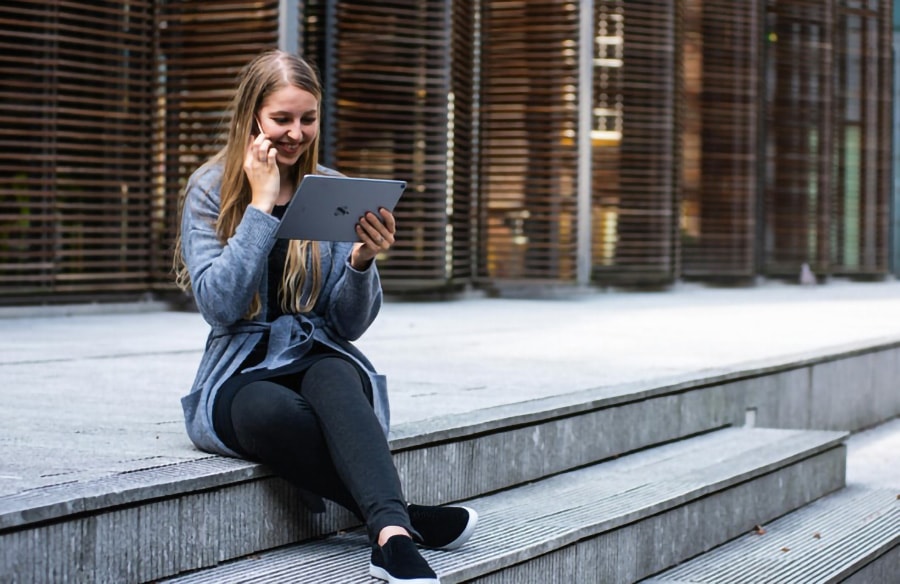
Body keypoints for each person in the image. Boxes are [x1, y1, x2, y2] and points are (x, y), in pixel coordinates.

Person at [172, 49, 477, 584]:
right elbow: (218, 306)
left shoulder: (332, 189)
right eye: (281, 119)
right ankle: (402, 518)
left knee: (338, 376)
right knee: (275, 414)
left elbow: (348, 327)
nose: (295, 133)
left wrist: (362, 262)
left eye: (307, 118)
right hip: (239, 368)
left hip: (316, 352)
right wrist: (261, 206)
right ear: (253, 118)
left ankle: (391, 540)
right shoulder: (210, 188)